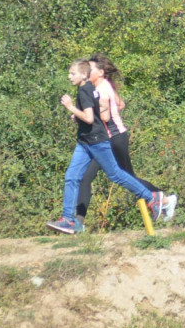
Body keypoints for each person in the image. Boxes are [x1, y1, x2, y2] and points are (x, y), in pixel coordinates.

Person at [47, 60, 164, 234]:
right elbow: (95, 110)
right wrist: (78, 115)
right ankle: (68, 220)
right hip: (85, 141)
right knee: (71, 176)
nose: (69, 76)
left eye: (72, 73)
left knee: (115, 174)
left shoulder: (84, 90)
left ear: (83, 74)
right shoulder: (88, 89)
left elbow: (88, 118)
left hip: (96, 141)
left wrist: (71, 107)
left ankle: (151, 197)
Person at [75, 54, 177, 227]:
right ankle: (78, 222)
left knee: (125, 177)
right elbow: (120, 104)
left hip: (114, 140)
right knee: (87, 177)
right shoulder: (101, 86)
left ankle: (164, 200)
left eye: (90, 69)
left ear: (100, 72)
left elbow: (105, 117)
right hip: (104, 140)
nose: (86, 72)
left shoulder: (101, 90)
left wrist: (84, 115)